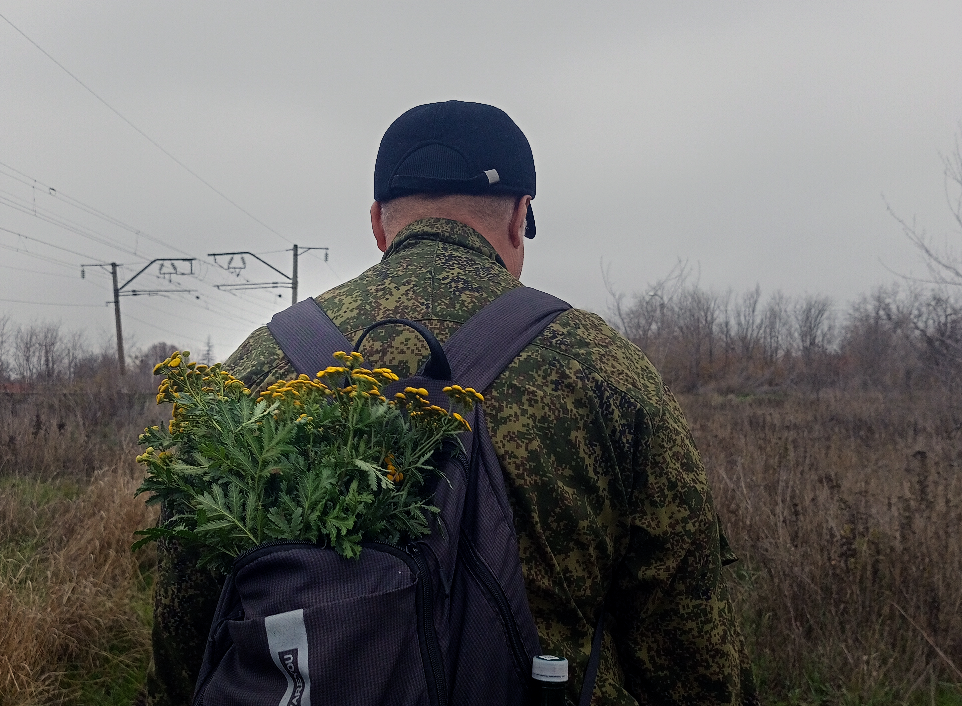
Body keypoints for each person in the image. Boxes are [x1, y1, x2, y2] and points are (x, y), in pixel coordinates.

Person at [146, 100, 757, 706]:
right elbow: (687, 640)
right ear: (521, 218)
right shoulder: (602, 368)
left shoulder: (258, 365)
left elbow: (189, 621)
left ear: (379, 224)